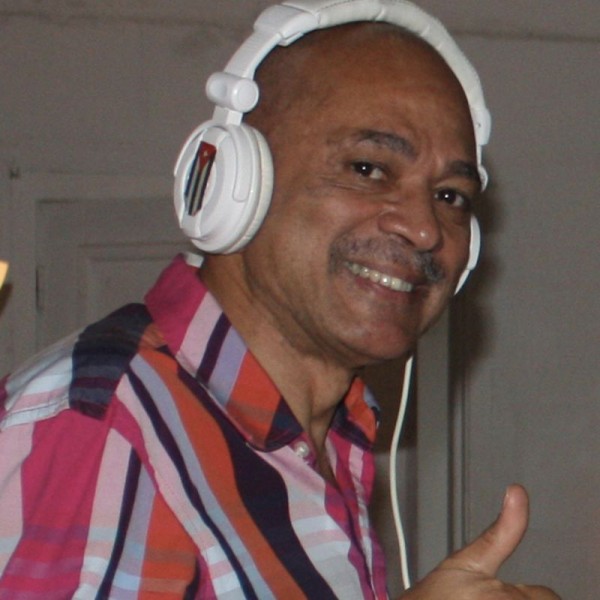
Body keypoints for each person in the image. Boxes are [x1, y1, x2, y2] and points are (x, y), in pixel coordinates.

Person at [0, 0, 559, 598]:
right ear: (236, 183)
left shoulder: (325, 439)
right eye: (368, 168)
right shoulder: (102, 429)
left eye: (450, 196)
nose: (424, 229)